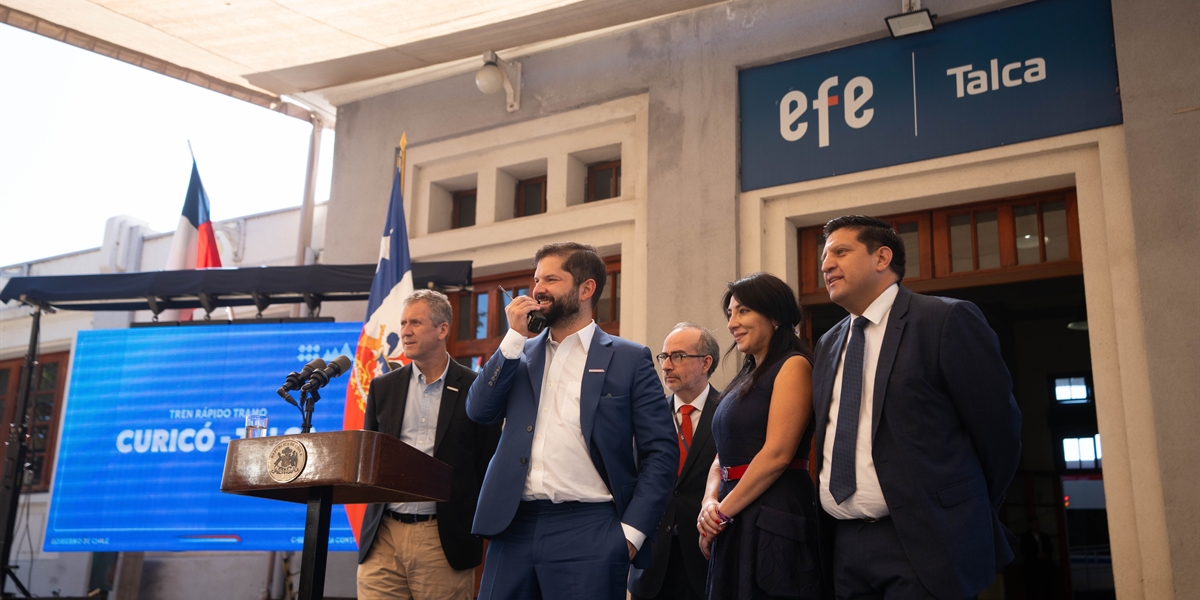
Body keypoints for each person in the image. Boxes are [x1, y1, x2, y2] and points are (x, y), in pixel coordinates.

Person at [812, 215, 1022, 600]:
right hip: (844, 546)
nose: (826, 265)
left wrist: (961, 505)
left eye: (840, 252)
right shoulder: (827, 344)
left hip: (927, 542)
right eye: (824, 256)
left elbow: (999, 433)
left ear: (881, 258)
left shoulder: (944, 320)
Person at [465, 242, 678, 600]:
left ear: (586, 288)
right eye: (536, 279)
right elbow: (478, 410)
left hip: (591, 528)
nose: (537, 289)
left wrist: (631, 534)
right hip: (514, 526)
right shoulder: (518, 353)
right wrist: (513, 338)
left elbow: (661, 452)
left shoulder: (629, 358)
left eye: (551, 278)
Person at [357, 290, 502, 600]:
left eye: (416, 323)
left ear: (442, 330)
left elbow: (488, 464)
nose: (405, 331)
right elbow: (369, 456)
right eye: (403, 322)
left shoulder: (475, 389)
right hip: (383, 537)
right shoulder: (383, 387)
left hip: (443, 540)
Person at [698, 272, 824, 600]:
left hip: (774, 512)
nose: (732, 323)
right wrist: (710, 502)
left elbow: (778, 454)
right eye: (730, 314)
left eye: (743, 311)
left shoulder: (794, 365)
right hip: (734, 510)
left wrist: (722, 512)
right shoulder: (746, 376)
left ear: (775, 315)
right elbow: (720, 454)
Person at [628, 323, 723, 600]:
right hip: (652, 560)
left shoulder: (728, 411)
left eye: (678, 356)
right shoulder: (647, 414)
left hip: (706, 554)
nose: (666, 365)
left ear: (706, 362)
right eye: (664, 356)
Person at [1020, 517, 1055, 600]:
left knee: (1046, 589)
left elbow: (1050, 549)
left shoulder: (1044, 536)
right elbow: (1024, 550)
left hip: (1044, 566)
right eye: (1034, 524)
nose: (1036, 526)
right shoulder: (1025, 537)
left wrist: (1045, 555)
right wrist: (1035, 555)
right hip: (1032, 567)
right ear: (1030, 525)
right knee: (1033, 590)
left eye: (1037, 523)